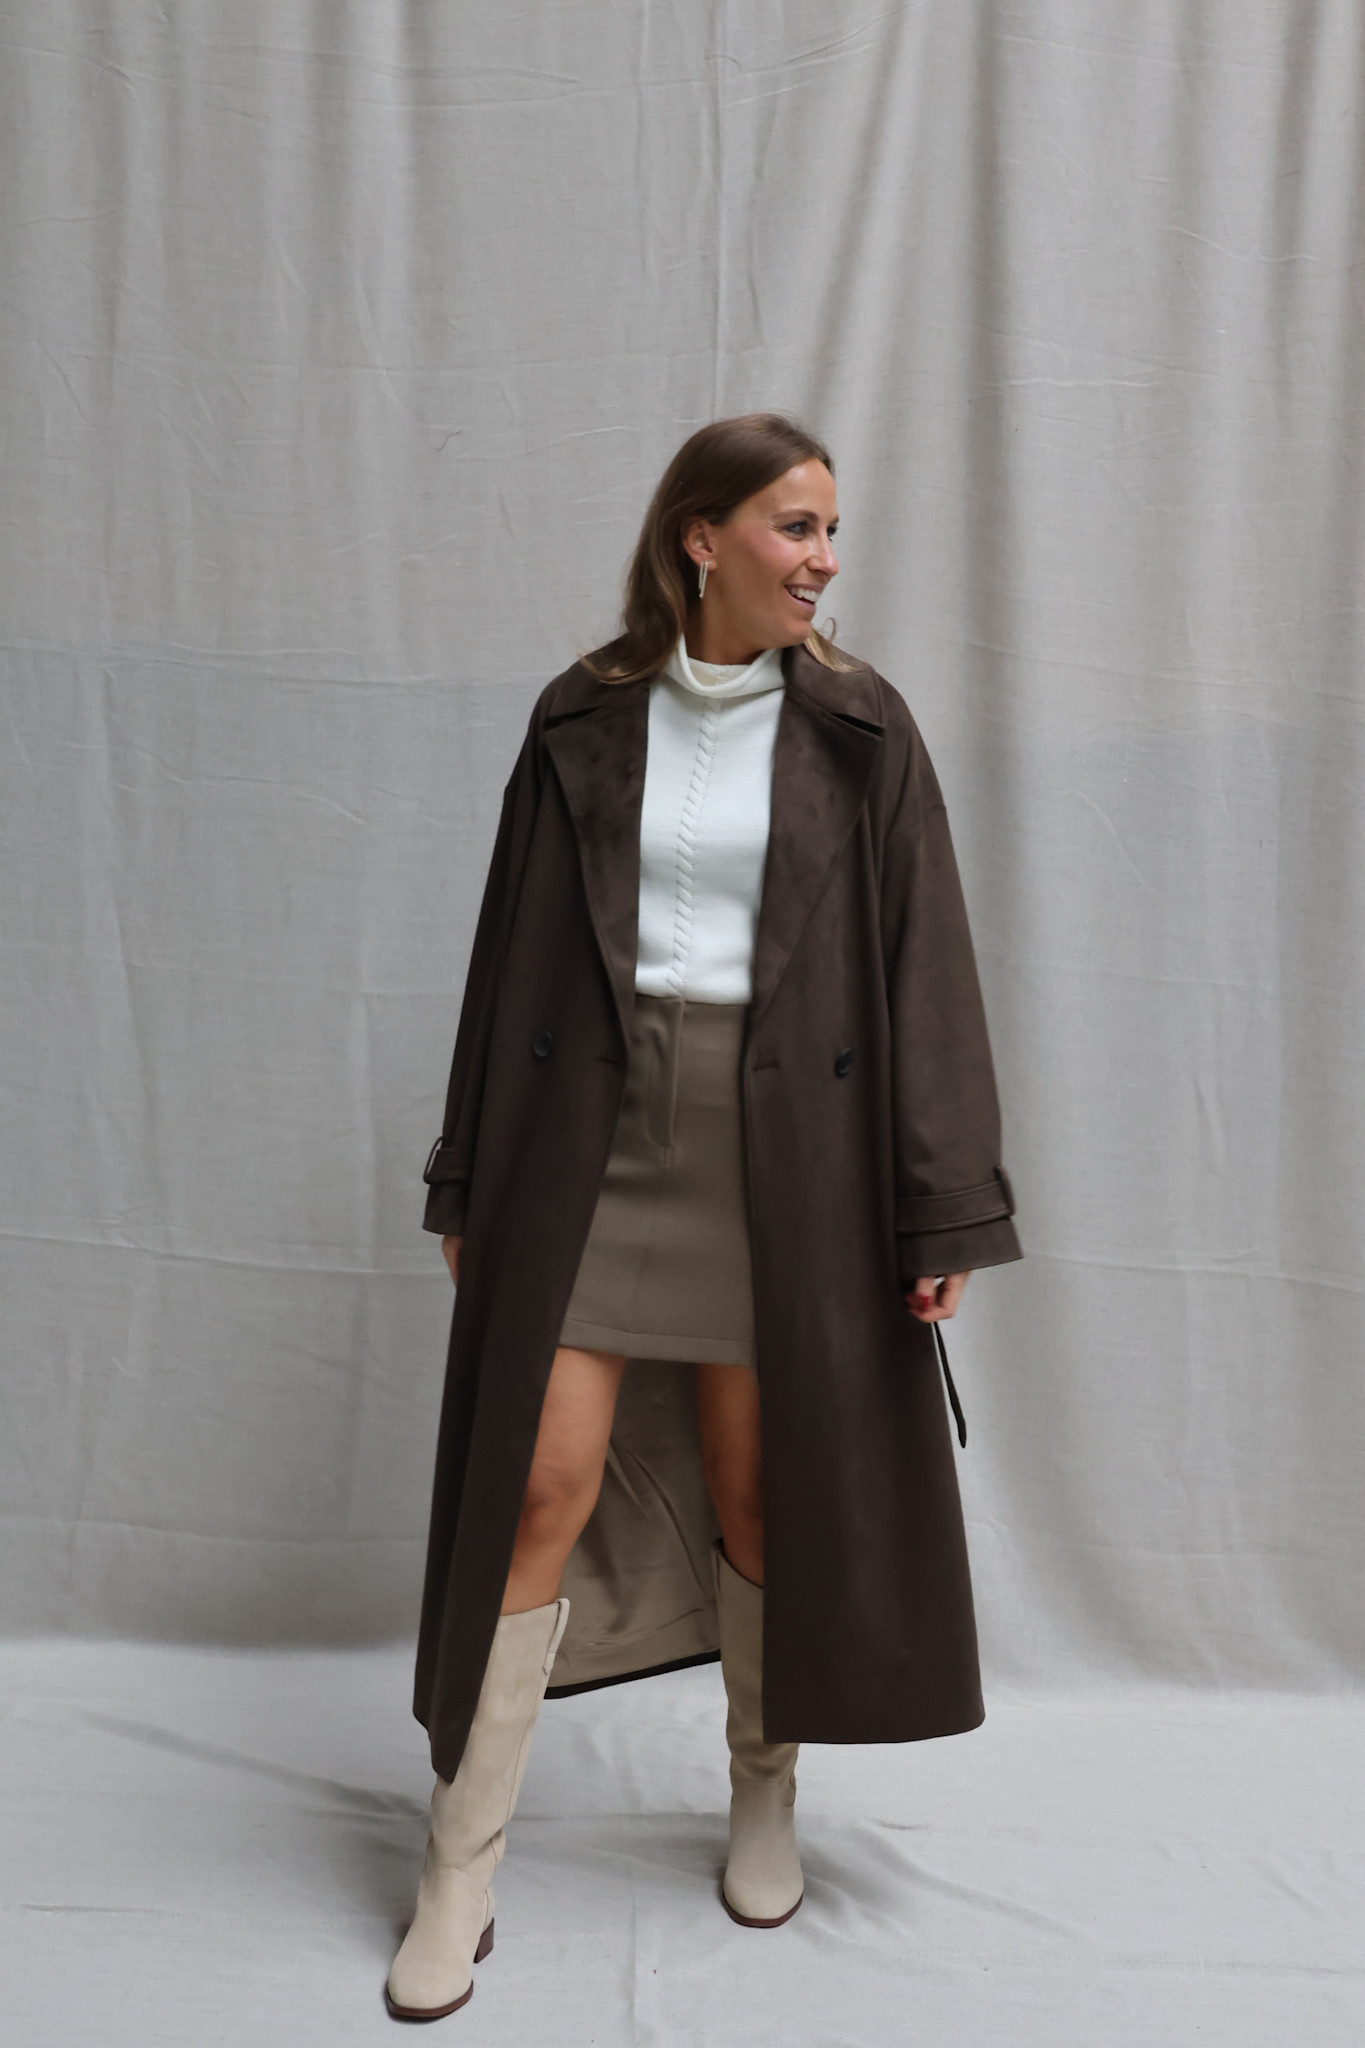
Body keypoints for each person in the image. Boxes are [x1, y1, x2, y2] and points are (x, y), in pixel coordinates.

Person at [385, 413, 1022, 2020]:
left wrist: (938, 1205)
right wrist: (465, 1174)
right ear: (701, 537)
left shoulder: (863, 726)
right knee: (538, 1484)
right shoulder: (583, 714)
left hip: (785, 1148)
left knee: (758, 1488)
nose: (822, 560)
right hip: (591, 1137)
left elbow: (927, 969)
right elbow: (508, 957)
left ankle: (760, 1792)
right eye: (794, 527)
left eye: (828, 531)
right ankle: (459, 1863)